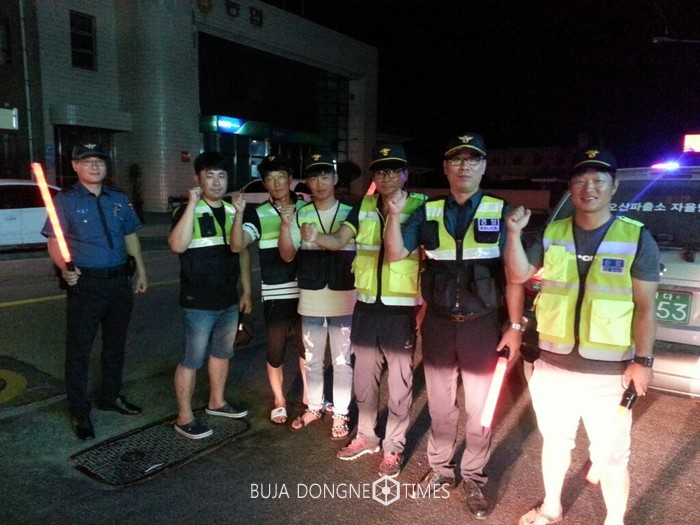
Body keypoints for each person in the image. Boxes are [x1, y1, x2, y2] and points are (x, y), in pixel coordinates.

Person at [505, 148, 659, 525]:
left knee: (611, 456)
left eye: (598, 180)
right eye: (580, 180)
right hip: (552, 366)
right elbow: (519, 274)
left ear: (614, 186)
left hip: (610, 373)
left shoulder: (636, 237)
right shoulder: (553, 232)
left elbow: (645, 307)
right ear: (571, 186)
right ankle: (551, 508)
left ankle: (614, 520)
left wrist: (643, 361)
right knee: (555, 443)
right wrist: (513, 234)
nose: (589, 187)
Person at [384, 133, 524, 519]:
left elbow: (515, 276)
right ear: (445, 168)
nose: (464, 166)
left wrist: (515, 326)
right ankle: (441, 469)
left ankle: (474, 476)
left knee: (482, 408)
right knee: (441, 406)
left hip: (483, 326)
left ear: (484, 166)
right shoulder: (427, 212)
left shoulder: (502, 211)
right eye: (457, 160)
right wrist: (394, 216)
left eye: (472, 159)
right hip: (439, 324)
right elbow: (395, 253)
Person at [300, 143, 427, 478]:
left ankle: (393, 447)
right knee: (364, 381)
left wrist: (425, 307)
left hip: (401, 310)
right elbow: (339, 239)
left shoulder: (422, 206)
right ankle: (367, 437)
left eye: (393, 170)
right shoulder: (364, 206)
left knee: (399, 385)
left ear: (405, 174)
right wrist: (316, 237)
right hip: (366, 306)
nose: (386, 176)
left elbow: (429, 258)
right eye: (380, 171)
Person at [42, 142, 148, 441]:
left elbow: (130, 235)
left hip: (119, 283)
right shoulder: (66, 201)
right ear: (75, 166)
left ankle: (110, 396)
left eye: (99, 161)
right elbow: (54, 240)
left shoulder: (118, 198)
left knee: (115, 345)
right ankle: (79, 410)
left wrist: (141, 270)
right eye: (86, 161)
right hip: (85, 285)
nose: (94, 166)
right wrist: (64, 268)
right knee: (79, 351)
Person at [168, 152, 253, 439]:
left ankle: (217, 402)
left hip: (228, 299)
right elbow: (177, 246)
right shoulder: (186, 210)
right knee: (191, 359)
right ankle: (184, 416)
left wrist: (246, 291)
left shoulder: (232, 210)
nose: (216, 182)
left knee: (222, 353)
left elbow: (241, 252)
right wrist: (192, 204)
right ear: (198, 179)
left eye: (221, 176)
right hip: (198, 302)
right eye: (210, 175)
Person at [278, 150, 356, 439]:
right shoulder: (300, 213)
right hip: (311, 294)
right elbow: (287, 255)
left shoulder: (351, 213)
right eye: (313, 177)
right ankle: (314, 406)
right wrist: (286, 225)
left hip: (344, 295)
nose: (320, 182)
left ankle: (341, 413)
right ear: (307, 182)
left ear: (335, 178)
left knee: (342, 360)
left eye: (325, 175)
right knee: (311, 358)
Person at [230, 155, 307, 425]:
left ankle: (309, 396)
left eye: (281, 177)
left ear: (290, 179)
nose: (276, 183)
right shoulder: (258, 213)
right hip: (276, 290)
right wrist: (239, 214)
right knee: (275, 350)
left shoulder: (306, 208)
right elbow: (237, 246)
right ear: (264, 183)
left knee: (307, 348)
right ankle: (279, 400)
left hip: (308, 290)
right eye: (270, 179)